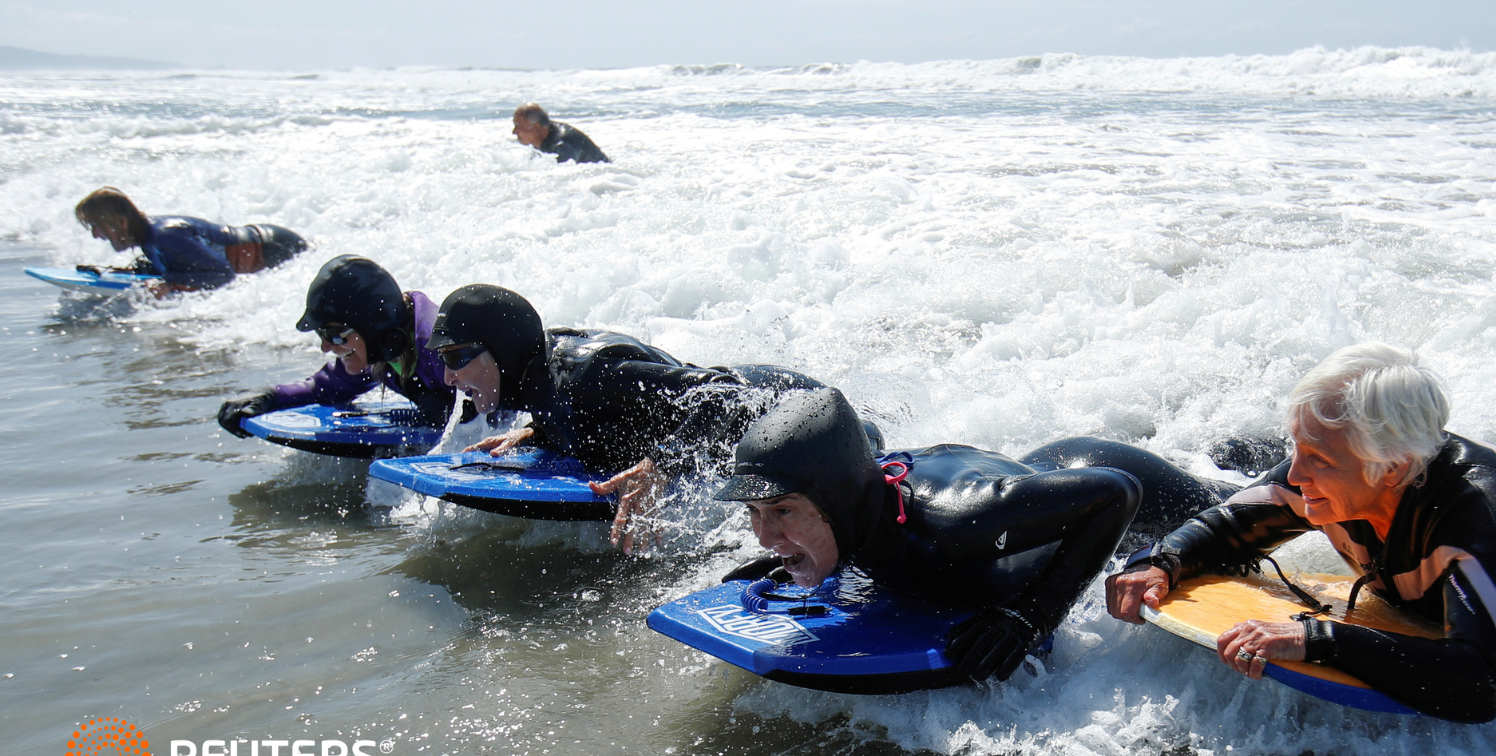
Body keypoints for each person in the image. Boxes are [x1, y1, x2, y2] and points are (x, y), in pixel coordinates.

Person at [1105, 342, 1496, 723]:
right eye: (1296, 449)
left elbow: (1483, 682)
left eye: (1317, 459)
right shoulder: (1340, 467)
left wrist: (1319, 639)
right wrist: (1161, 562)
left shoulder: (1481, 514)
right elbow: (1228, 526)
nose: (1294, 475)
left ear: (1393, 467)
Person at [714, 387, 1243, 683]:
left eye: (782, 511)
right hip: (1023, 488)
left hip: (1117, 485)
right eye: (755, 513)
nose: (765, 536)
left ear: (837, 500)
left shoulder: (954, 522)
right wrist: (797, 556)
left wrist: (1028, 617)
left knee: (1245, 505)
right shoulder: (854, 503)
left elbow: (1118, 493)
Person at [424, 284, 821, 551]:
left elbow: (728, 396)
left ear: (504, 350)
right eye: (442, 360)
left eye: (457, 357)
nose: (447, 376)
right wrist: (538, 432)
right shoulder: (541, 382)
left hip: (793, 407)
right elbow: (605, 417)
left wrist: (659, 464)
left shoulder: (586, 370)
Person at [217, 256, 458, 437]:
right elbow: (324, 389)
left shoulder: (440, 349)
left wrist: (460, 415)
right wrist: (268, 395)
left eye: (334, 334)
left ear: (373, 325)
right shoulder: (383, 350)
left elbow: (494, 413)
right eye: (322, 334)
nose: (325, 346)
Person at [74, 187, 309, 297]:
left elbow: (223, 274)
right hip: (267, 238)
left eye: (97, 227)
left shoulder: (165, 236)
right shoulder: (149, 236)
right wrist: (123, 273)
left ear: (121, 223)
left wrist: (171, 284)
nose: (96, 235)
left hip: (277, 246)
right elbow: (181, 264)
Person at [511, 103, 609, 164]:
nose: (514, 132)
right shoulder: (542, 137)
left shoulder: (563, 146)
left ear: (536, 128)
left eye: (518, 127)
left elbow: (565, 178)